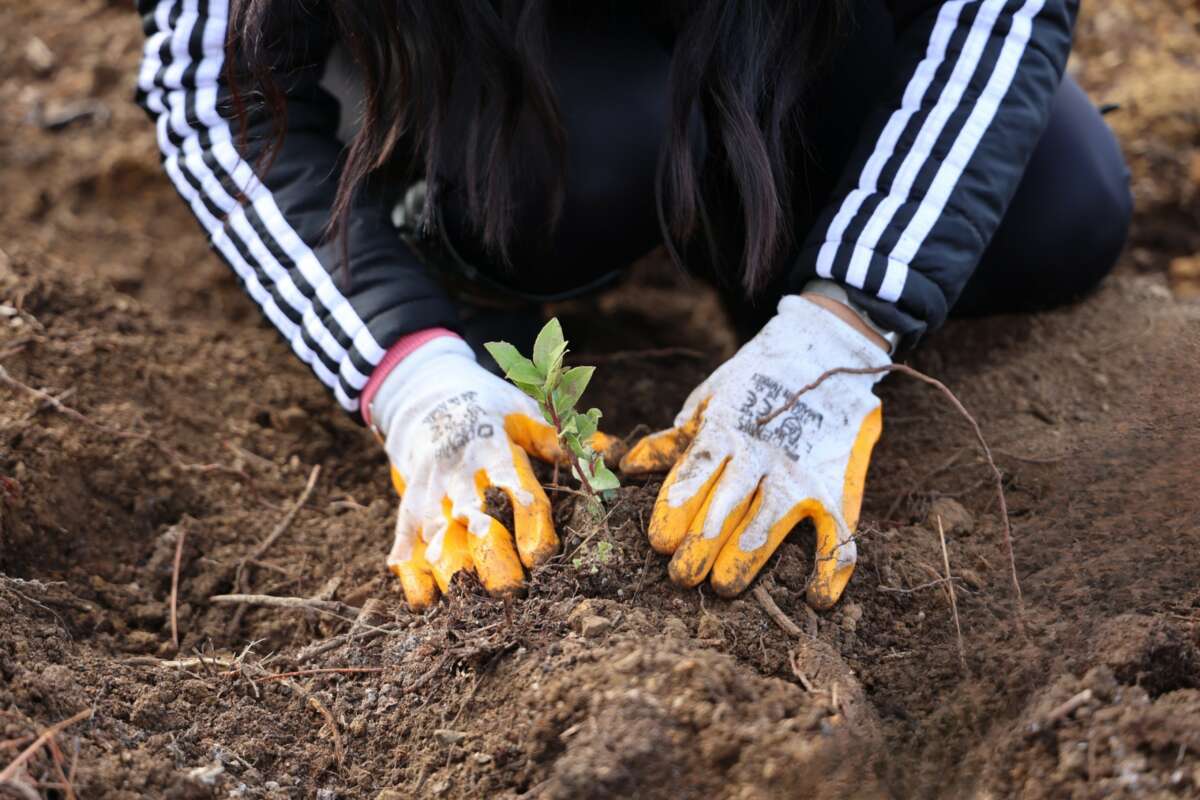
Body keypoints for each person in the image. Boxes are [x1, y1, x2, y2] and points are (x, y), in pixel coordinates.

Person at [134, 0, 1131, 611]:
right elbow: (213, 88)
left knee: (1055, 207)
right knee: (575, 166)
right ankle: (451, 240)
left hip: (751, 28)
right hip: (469, 53)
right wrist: (411, 372)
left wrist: (842, 322)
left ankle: (754, 236)